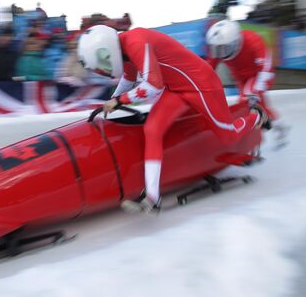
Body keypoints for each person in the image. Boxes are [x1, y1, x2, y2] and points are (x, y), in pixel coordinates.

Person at [78, 25, 269, 213]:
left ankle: (256, 115)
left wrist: (119, 100)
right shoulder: (124, 50)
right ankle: (153, 198)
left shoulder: (136, 42)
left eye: (103, 63)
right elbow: (129, 79)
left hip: (201, 84)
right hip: (176, 89)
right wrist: (111, 101)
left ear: (108, 49)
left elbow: (153, 87)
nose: (105, 69)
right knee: (152, 129)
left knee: (229, 136)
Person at [206, 19, 288, 147]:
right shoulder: (221, 45)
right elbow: (208, 69)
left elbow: (266, 70)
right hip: (241, 79)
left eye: (225, 48)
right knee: (255, 105)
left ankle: (252, 138)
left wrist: (256, 92)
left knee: (247, 101)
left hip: (260, 75)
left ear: (236, 41)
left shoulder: (254, 41)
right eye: (218, 49)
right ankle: (279, 124)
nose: (222, 53)